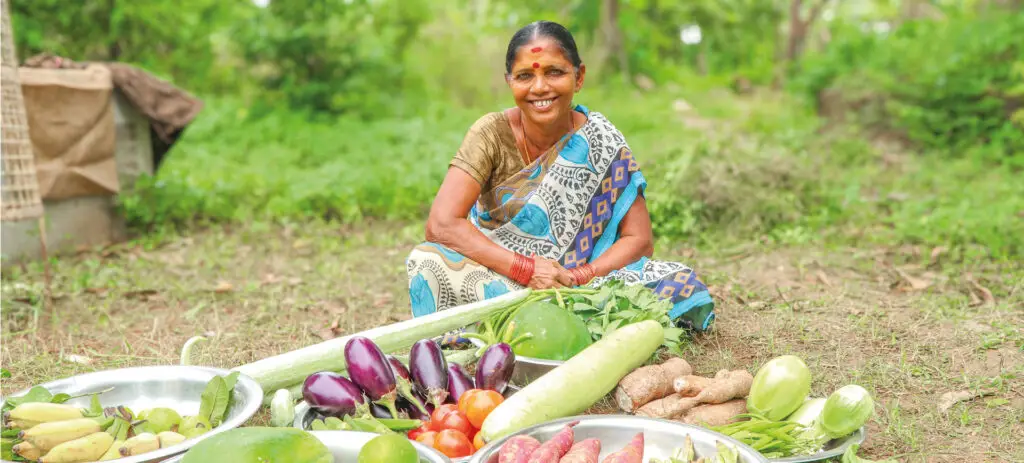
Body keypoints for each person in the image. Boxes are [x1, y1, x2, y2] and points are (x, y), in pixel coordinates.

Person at [406, 20, 715, 335]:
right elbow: (442, 223)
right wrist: (528, 270)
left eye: (554, 72)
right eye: (525, 75)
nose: (540, 87)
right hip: (496, 276)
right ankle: (557, 329)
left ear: (578, 77)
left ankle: (532, 327)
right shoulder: (490, 134)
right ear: (509, 81)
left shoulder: (602, 140)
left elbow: (639, 239)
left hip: (579, 287)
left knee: (679, 283)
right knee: (427, 260)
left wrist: (579, 276)